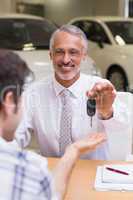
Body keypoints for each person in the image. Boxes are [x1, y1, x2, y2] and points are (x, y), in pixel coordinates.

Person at [0, 49, 106, 199]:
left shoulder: (98, 86)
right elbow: (52, 195)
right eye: (21, 96)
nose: (66, 59)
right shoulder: (29, 171)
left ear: (83, 55)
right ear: (9, 101)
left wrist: (72, 151)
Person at [15, 24, 128, 160]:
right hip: (53, 173)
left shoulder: (100, 88)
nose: (66, 59)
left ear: (84, 55)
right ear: (51, 55)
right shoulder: (33, 93)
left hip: (91, 172)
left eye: (73, 52)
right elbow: (15, 135)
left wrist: (107, 112)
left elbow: (121, 128)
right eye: (59, 52)